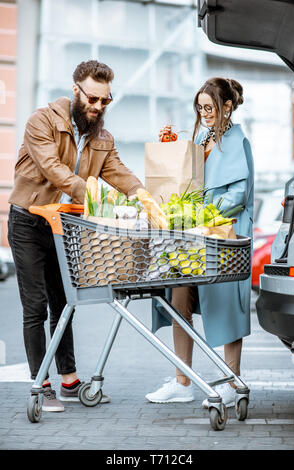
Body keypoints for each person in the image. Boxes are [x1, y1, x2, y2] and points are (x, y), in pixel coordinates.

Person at [8, 60, 144, 412]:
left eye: (105, 101)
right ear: (76, 90)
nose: (97, 107)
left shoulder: (102, 137)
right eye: (93, 99)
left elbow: (119, 172)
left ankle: (69, 381)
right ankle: (42, 387)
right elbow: (53, 170)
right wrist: (96, 197)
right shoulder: (42, 121)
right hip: (29, 221)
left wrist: (143, 195)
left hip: (64, 225)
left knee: (64, 303)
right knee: (35, 306)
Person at [146, 77, 254, 407]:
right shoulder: (201, 137)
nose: (203, 113)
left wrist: (202, 212)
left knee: (225, 306)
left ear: (227, 106)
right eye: (199, 107)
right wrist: (170, 144)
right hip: (192, 238)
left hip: (223, 235)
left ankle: (231, 383)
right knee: (179, 298)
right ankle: (182, 381)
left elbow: (238, 195)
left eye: (209, 107)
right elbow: (185, 180)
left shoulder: (238, 140)